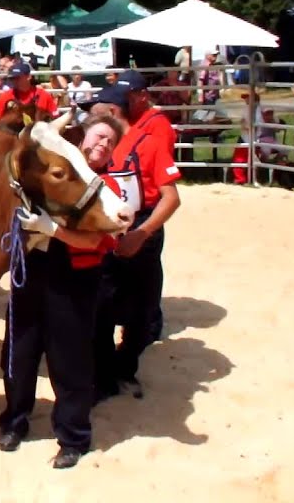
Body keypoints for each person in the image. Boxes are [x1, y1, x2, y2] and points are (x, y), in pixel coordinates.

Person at [0, 114, 125, 470]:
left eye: (109, 143)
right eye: (98, 136)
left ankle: (73, 436)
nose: (101, 145)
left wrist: (51, 228)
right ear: (82, 139)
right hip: (33, 269)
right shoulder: (58, 169)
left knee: (69, 358)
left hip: (75, 276)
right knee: (19, 350)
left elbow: (97, 238)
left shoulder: (105, 188)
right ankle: (14, 419)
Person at [82, 85, 181, 401]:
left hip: (143, 228)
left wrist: (141, 234)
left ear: (111, 112)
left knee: (143, 314)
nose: (89, 116)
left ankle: (124, 368)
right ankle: (103, 377)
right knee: (101, 309)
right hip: (106, 230)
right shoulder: (94, 148)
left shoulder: (149, 144)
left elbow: (171, 198)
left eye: (95, 109)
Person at [0, 62, 59, 129]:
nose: (14, 81)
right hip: (12, 139)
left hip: (37, 137)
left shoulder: (43, 95)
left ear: (29, 77)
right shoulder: (6, 97)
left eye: (18, 78)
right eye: (12, 79)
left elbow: (56, 118)